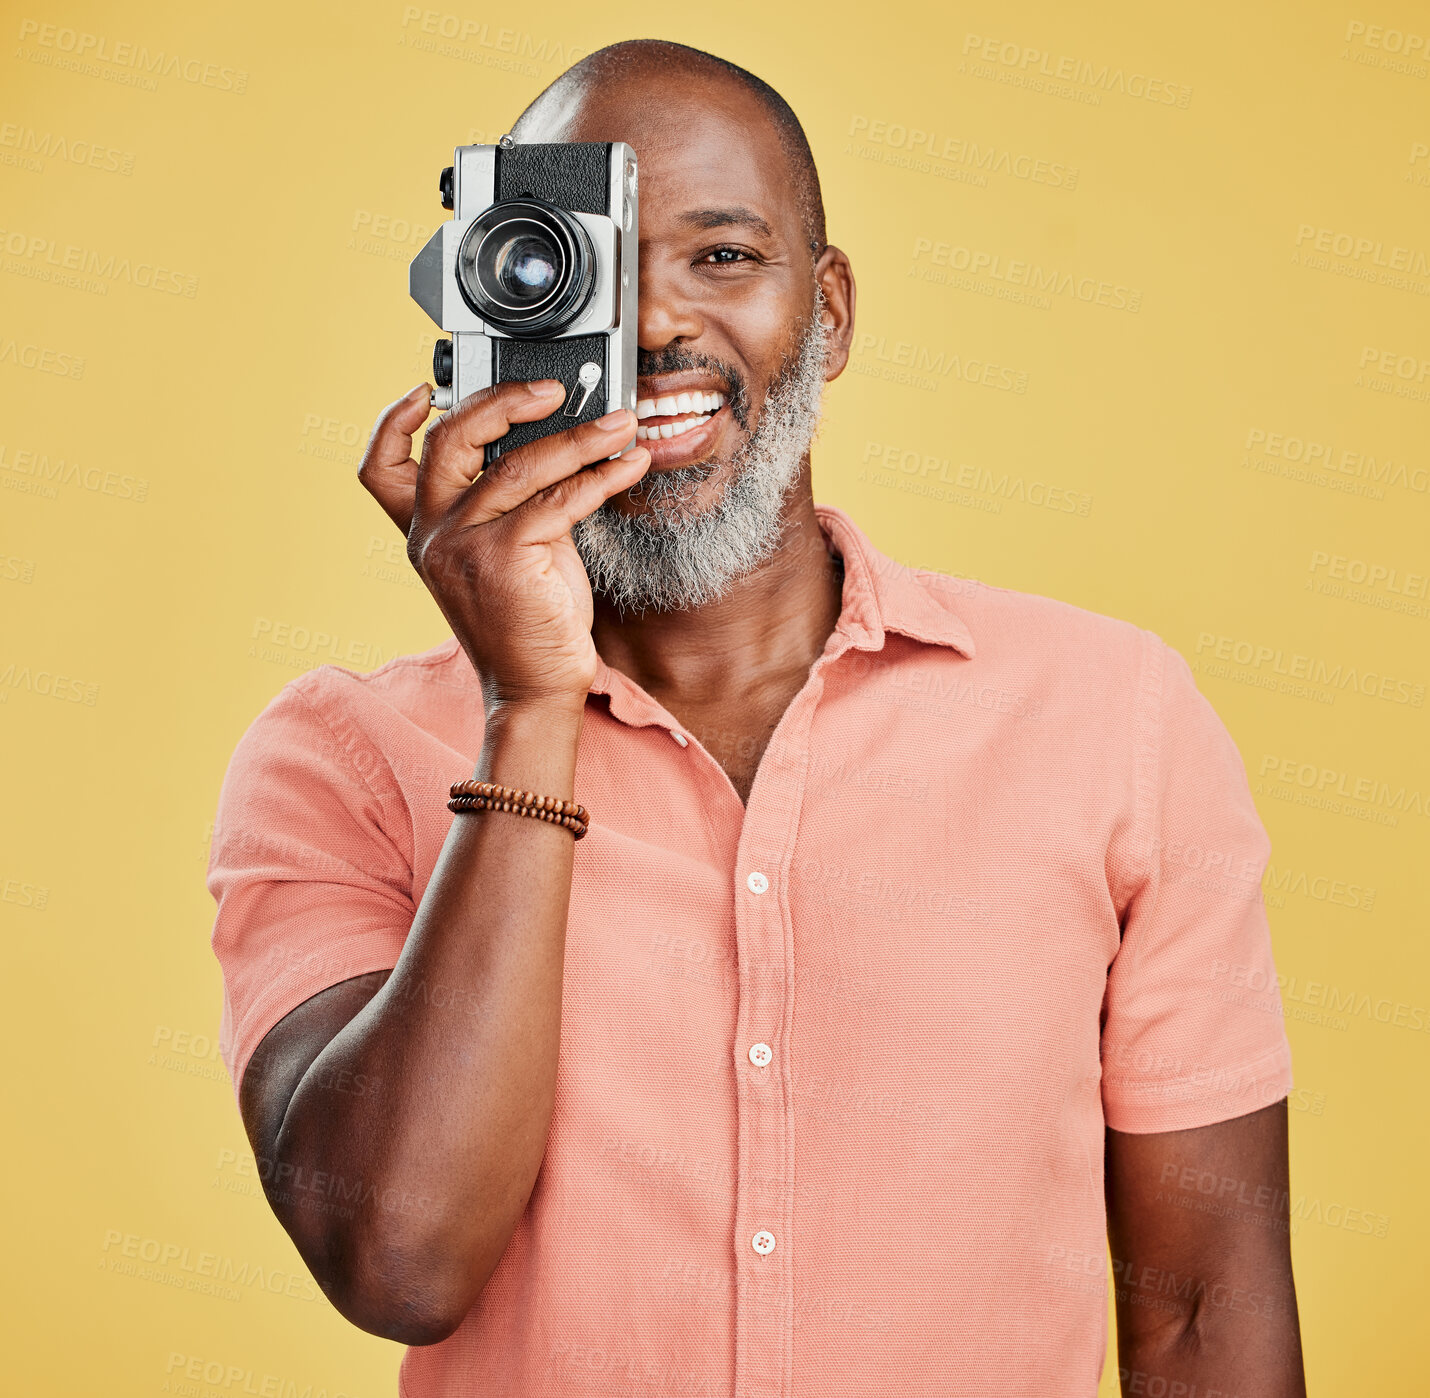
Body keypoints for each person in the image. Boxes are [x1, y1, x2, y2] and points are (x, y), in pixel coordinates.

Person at [206, 39, 1306, 1398]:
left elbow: (1205, 1305)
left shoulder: (1110, 717)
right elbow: (399, 1261)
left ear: (829, 312)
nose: (658, 326)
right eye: (585, 269)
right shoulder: (341, 757)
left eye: (721, 257)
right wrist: (529, 705)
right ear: (491, 306)